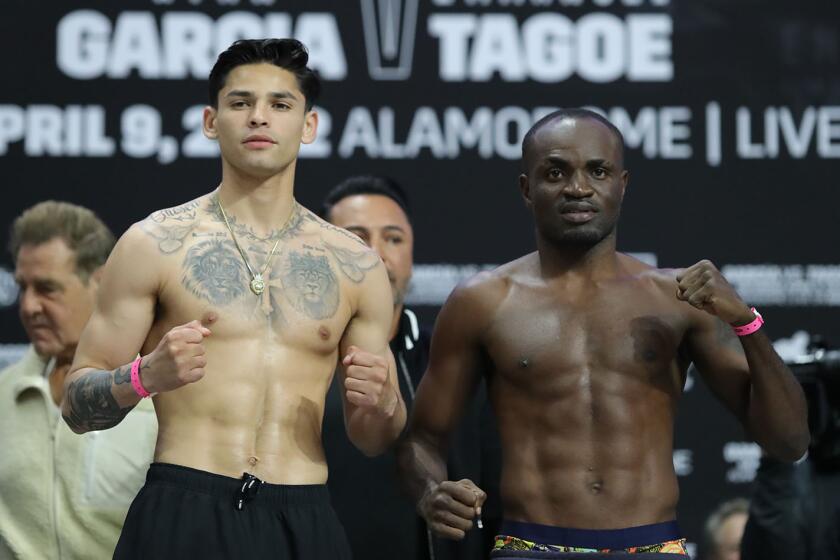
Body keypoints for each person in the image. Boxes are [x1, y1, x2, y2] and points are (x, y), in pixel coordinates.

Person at [397, 108, 810, 559]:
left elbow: (788, 441)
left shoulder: (676, 299)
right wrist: (431, 491)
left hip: (652, 547)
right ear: (526, 189)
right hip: (530, 547)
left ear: (622, 184)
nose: (578, 188)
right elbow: (422, 440)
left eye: (598, 170)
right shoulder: (483, 302)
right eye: (556, 172)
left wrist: (745, 321)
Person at [61, 39, 406, 559]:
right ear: (210, 120)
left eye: (280, 104)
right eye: (240, 103)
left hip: (304, 516)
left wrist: (383, 404)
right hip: (183, 506)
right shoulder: (153, 244)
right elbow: (75, 406)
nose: (259, 118)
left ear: (308, 126)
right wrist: (144, 376)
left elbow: (374, 439)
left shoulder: (355, 264)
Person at [320, 175, 501, 560]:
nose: (376, 254)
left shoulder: (458, 366)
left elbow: (498, 499)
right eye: (355, 238)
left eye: (393, 238)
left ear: (411, 255)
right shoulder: (287, 365)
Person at [0, 201, 157, 559]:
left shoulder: (159, 395)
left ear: (102, 283)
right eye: (22, 287)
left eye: (47, 288)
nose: (27, 306)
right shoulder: (3, 394)